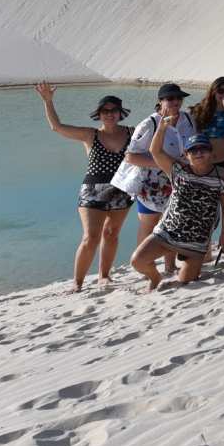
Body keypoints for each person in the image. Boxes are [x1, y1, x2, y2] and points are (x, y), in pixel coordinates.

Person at [36, 82, 133, 290]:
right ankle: (77, 283)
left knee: (112, 233)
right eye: (105, 111)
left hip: (122, 190)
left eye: (114, 110)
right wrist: (48, 102)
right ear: (99, 114)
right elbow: (57, 127)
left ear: (120, 113)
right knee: (90, 237)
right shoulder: (90, 135)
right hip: (93, 191)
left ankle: (104, 276)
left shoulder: (132, 133)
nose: (110, 114)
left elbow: (156, 139)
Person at [133, 125, 224, 290]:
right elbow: (155, 151)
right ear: (186, 155)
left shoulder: (221, 175)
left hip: (197, 241)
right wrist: (162, 128)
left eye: (203, 149)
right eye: (193, 150)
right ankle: (155, 278)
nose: (199, 153)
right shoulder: (178, 170)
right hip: (167, 232)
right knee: (137, 261)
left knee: (185, 282)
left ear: (211, 152)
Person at [120, 82, 196, 276]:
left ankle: (170, 266)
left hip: (180, 181)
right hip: (152, 185)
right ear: (160, 101)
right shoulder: (149, 124)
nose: (175, 101)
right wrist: (164, 164)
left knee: (172, 223)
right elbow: (130, 156)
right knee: (149, 224)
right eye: (170, 98)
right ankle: (145, 266)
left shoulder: (188, 119)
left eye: (179, 98)